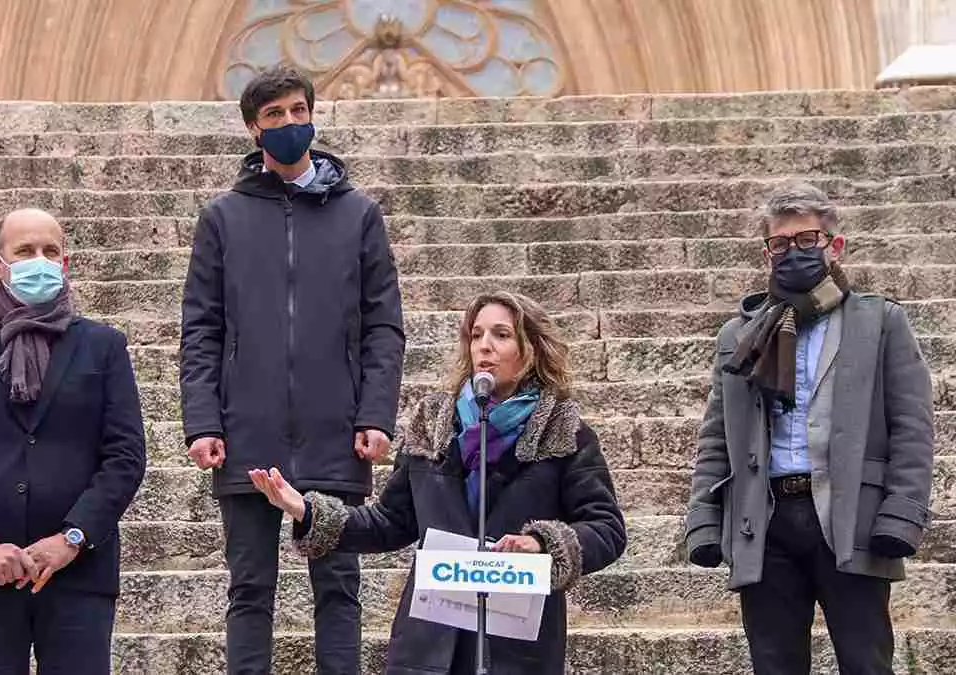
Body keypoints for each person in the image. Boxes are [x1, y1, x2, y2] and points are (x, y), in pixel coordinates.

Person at [247, 291, 627, 675]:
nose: (485, 346)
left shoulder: (563, 431)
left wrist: (541, 544)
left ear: (531, 349)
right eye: (476, 335)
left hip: (516, 648)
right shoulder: (433, 424)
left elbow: (607, 528)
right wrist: (307, 511)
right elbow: (390, 522)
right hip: (430, 645)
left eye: (501, 335)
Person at [179, 65, 405, 674]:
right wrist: (204, 422)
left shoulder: (359, 215)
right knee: (249, 590)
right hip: (248, 432)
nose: (288, 124)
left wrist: (376, 413)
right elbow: (201, 329)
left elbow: (384, 324)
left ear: (313, 116)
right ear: (254, 128)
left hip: (337, 432)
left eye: (297, 112)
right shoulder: (222, 218)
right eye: (274, 115)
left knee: (338, 588)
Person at [685, 182, 935, 674]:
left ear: (833, 246)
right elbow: (716, 435)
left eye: (807, 240)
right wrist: (703, 520)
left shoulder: (879, 322)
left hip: (852, 522)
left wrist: (901, 516)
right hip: (765, 521)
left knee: (867, 663)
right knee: (774, 665)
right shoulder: (740, 335)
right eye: (780, 244)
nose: (792, 252)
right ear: (767, 254)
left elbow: (913, 428)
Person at [0, 208, 147, 675]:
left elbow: (125, 456)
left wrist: (73, 537)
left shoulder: (104, 347)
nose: (39, 260)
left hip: (78, 573)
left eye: (50, 251)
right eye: (25, 251)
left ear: (65, 262)